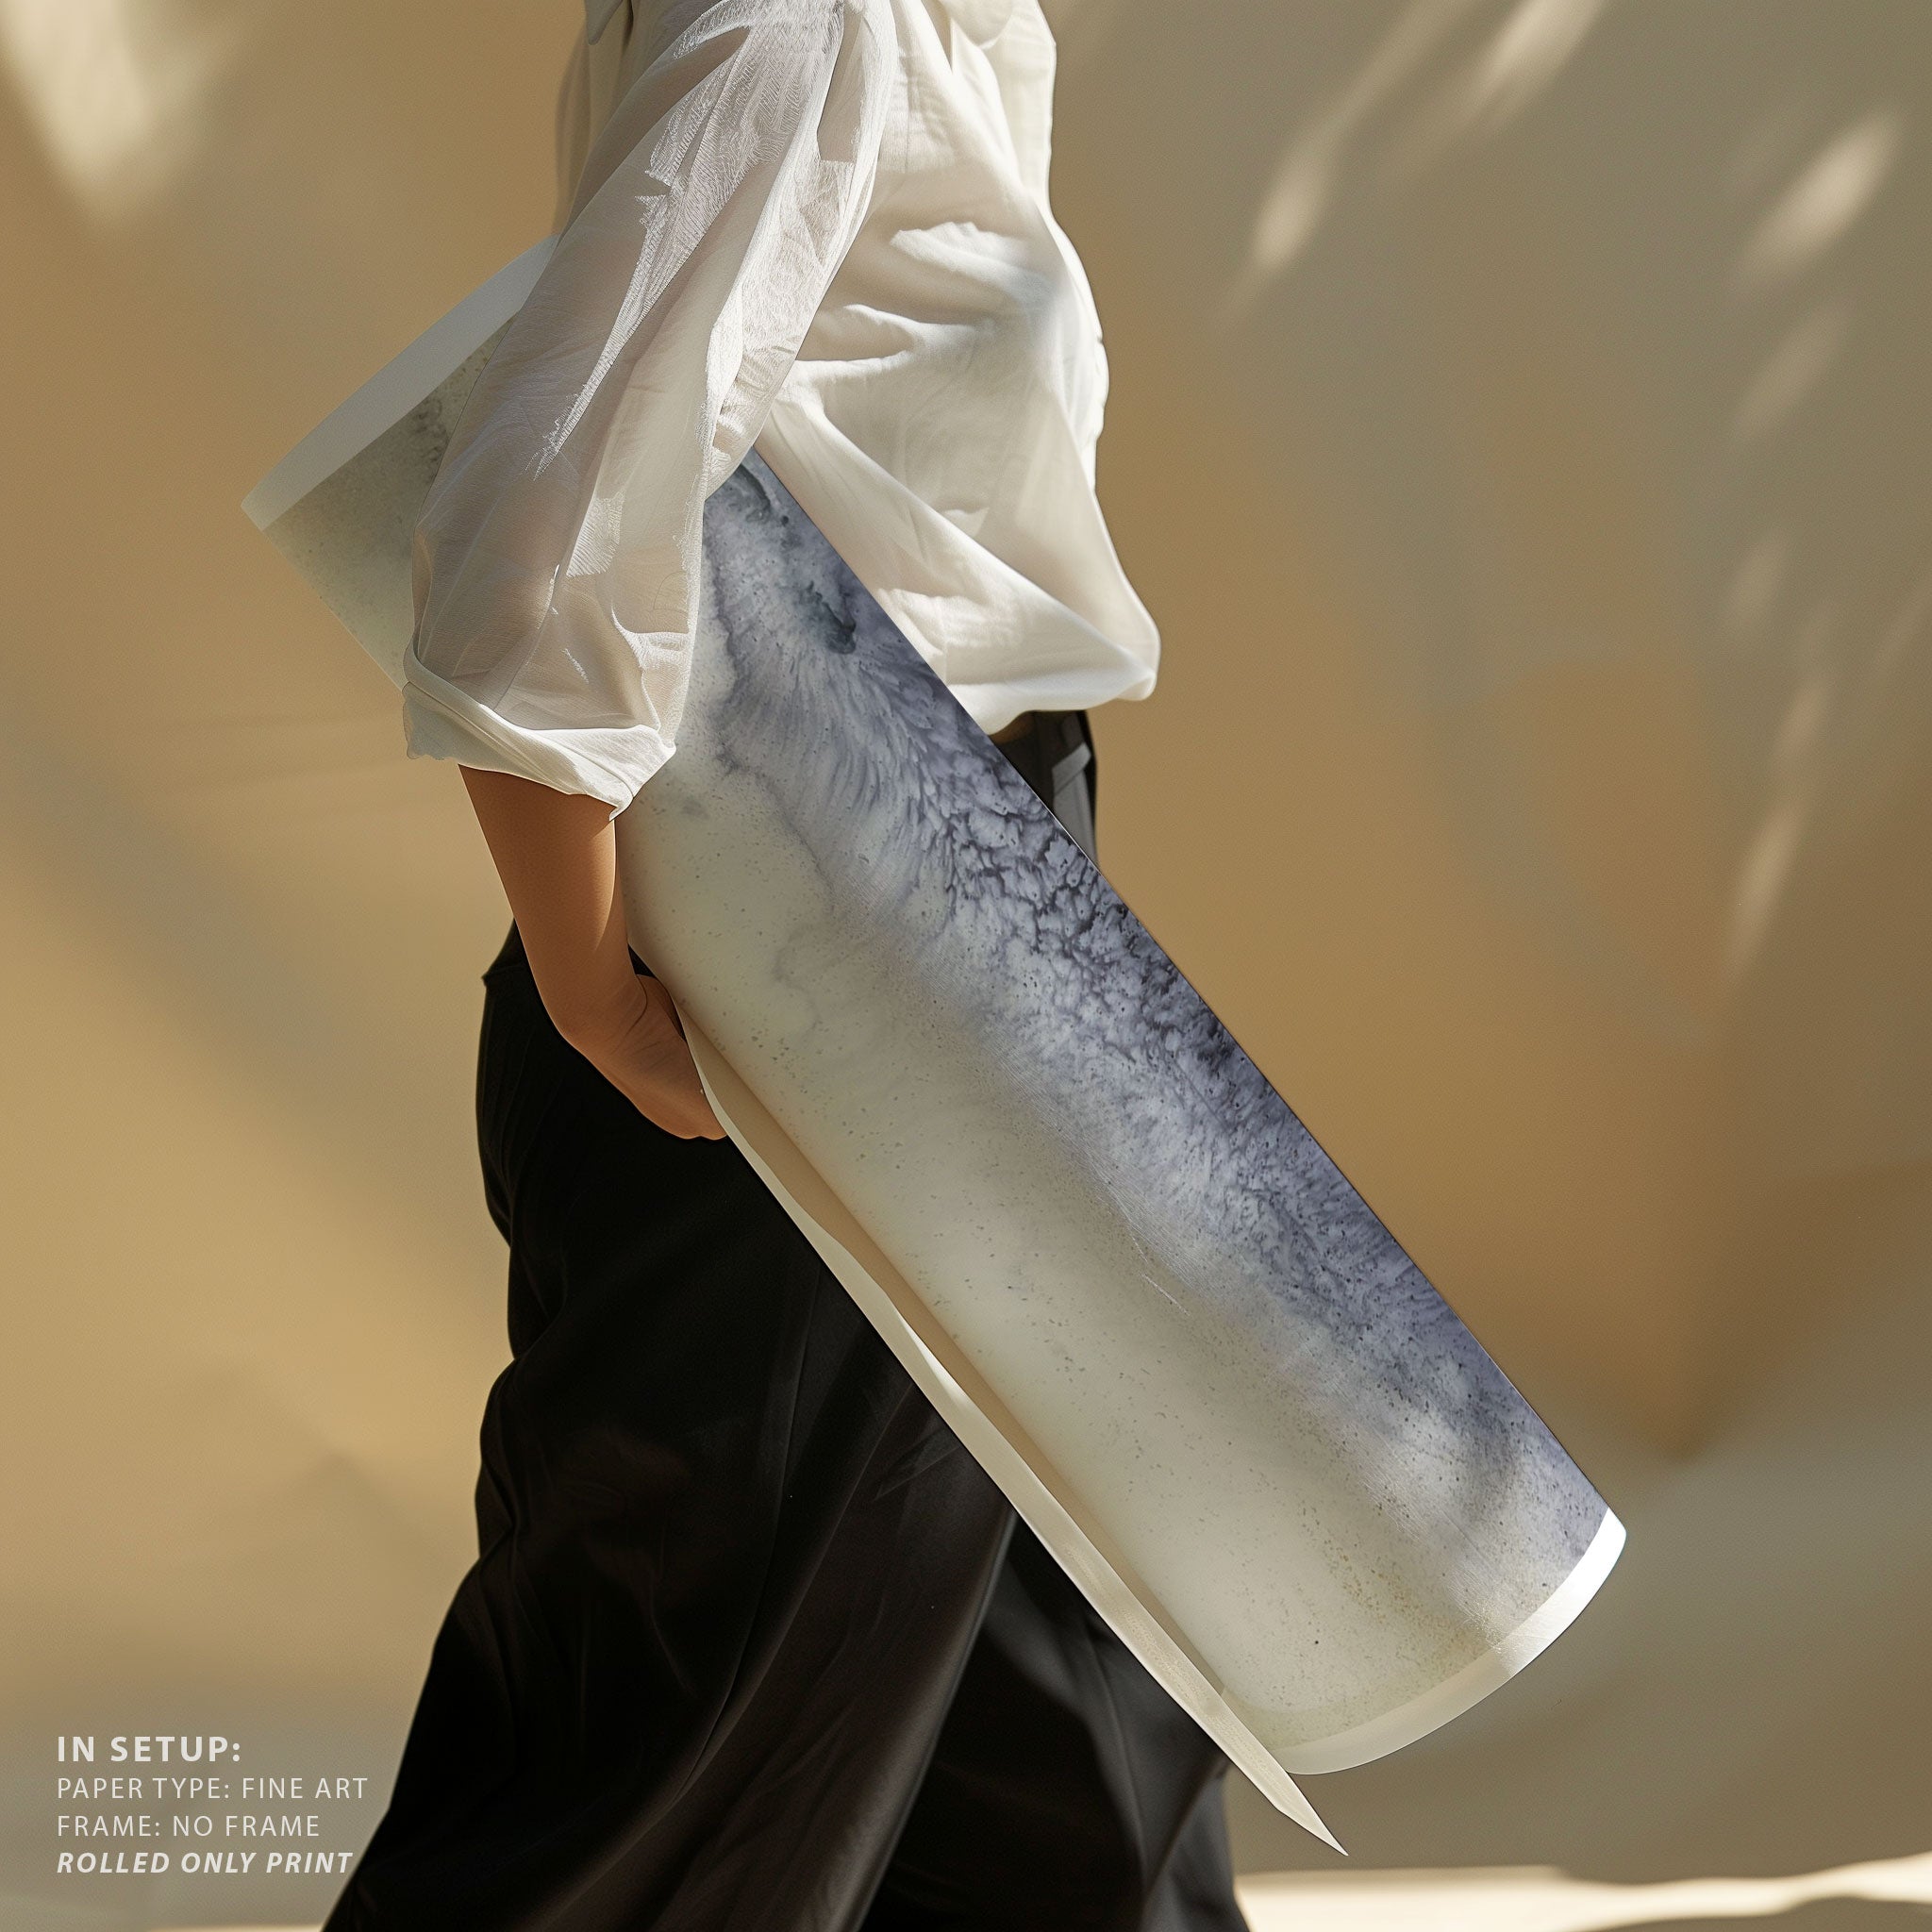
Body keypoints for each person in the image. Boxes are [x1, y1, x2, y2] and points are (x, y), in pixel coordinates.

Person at [323, 2, 1243, 1926]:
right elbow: (543, 503)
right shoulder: (804, 15)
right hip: (818, 926)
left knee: (1075, 1735)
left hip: (974, 889)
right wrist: (594, 988)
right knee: (650, 1760)